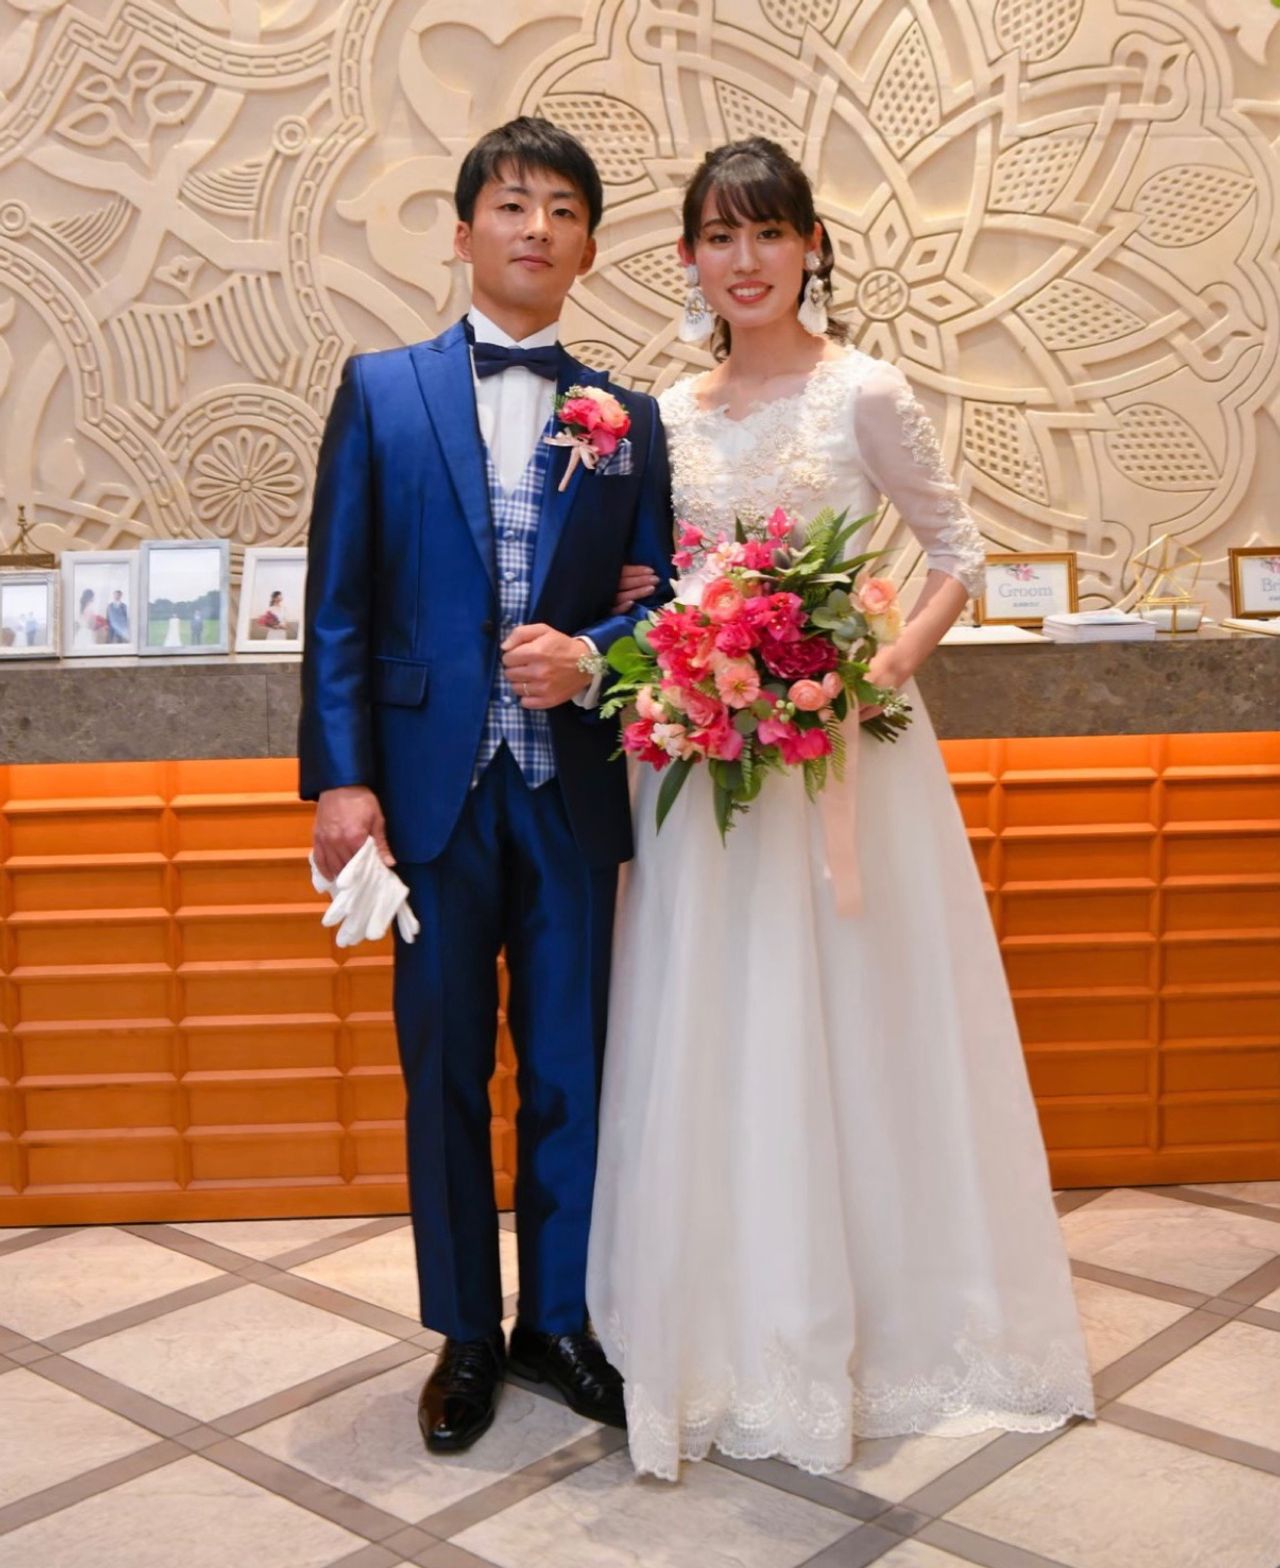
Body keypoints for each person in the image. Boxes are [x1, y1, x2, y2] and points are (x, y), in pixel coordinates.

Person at [586, 138, 1095, 1480]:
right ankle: (722, 1323)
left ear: (813, 245)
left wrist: (869, 675)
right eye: (718, 235)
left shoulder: (863, 389)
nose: (744, 259)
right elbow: (663, 577)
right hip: (706, 763)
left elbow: (957, 553)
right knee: (716, 1022)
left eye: (769, 232)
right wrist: (667, 635)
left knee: (858, 1025)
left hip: (842, 756)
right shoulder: (666, 413)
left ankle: (872, 1321)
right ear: (688, 257)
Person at [300, 117, 671, 1456]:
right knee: (446, 1066)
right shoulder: (382, 391)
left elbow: (663, 605)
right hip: (429, 794)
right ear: (463, 234)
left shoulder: (626, 419)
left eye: (563, 210)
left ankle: (556, 1322)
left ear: (588, 247)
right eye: (512, 206)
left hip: (570, 791)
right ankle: (464, 1332)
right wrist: (341, 780)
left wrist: (592, 652)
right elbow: (339, 605)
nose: (536, 228)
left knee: (570, 1064)